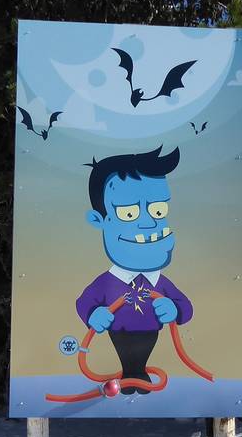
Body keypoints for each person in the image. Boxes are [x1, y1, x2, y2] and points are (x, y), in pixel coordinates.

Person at [75, 146, 193, 394]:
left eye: (158, 210)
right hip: (121, 333)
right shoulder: (107, 281)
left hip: (149, 332)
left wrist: (175, 309)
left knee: (138, 360)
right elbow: (84, 302)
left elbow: (185, 306)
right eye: (128, 213)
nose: (149, 222)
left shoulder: (159, 283)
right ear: (99, 220)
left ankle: (136, 374)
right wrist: (93, 314)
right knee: (129, 360)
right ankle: (131, 375)